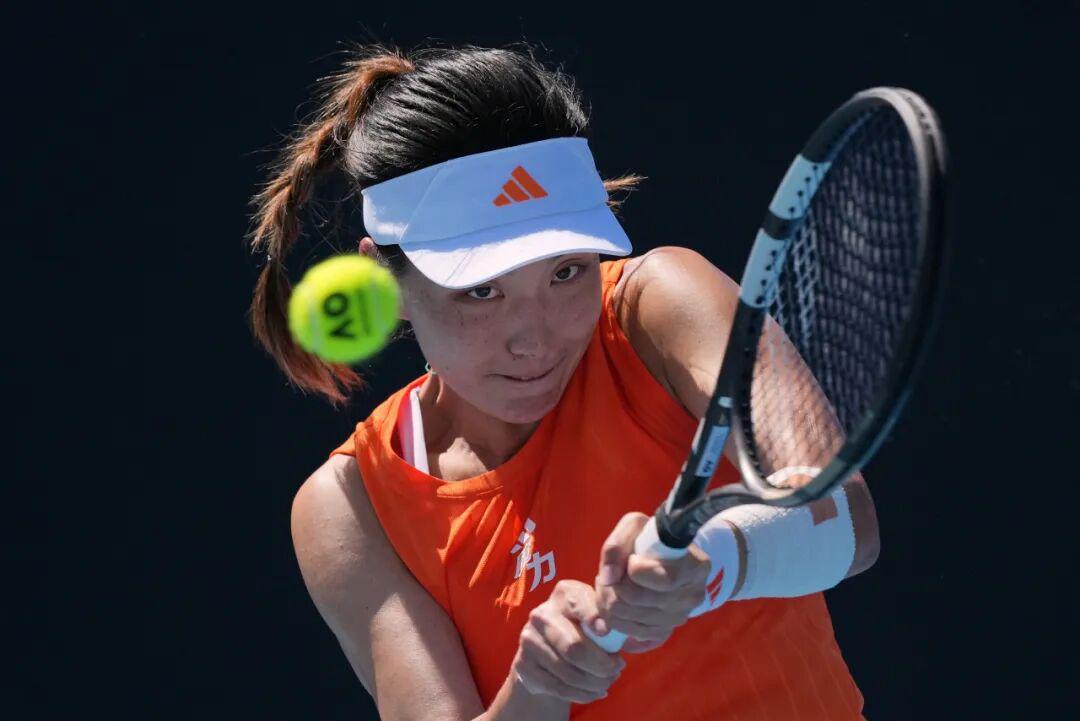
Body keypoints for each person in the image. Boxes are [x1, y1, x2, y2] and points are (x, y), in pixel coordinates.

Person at [249, 42, 880, 721]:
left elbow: (846, 519)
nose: (536, 339)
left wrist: (709, 560)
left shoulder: (659, 305)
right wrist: (537, 688)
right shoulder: (350, 506)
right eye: (482, 290)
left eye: (566, 272)